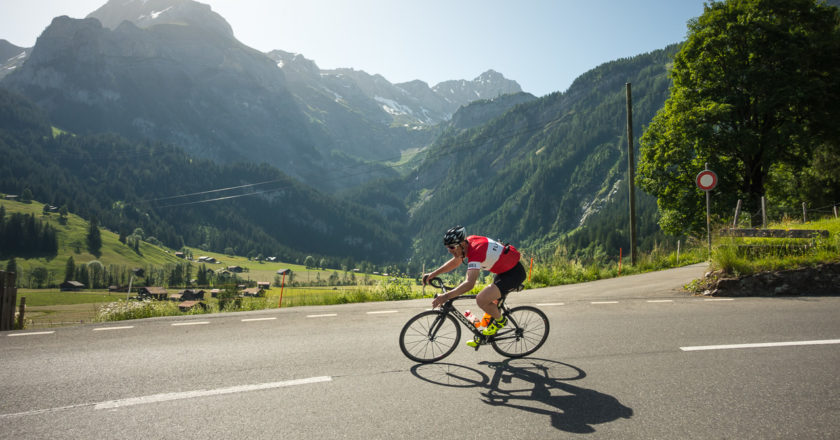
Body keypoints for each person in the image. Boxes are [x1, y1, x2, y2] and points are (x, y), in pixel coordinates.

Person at [423, 225, 526, 347]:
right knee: (490, 303)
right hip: (504, 271)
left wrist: (445, 297)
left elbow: (469, 284)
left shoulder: (476, 251)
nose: (450, 251)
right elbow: (456, 261)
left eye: (452, 247)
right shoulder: (468, 243)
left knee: (481, 299)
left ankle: (501, 321)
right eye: (447, 248)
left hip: (513, 274)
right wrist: (433, 274)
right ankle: (484, 336)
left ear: (462, 243)